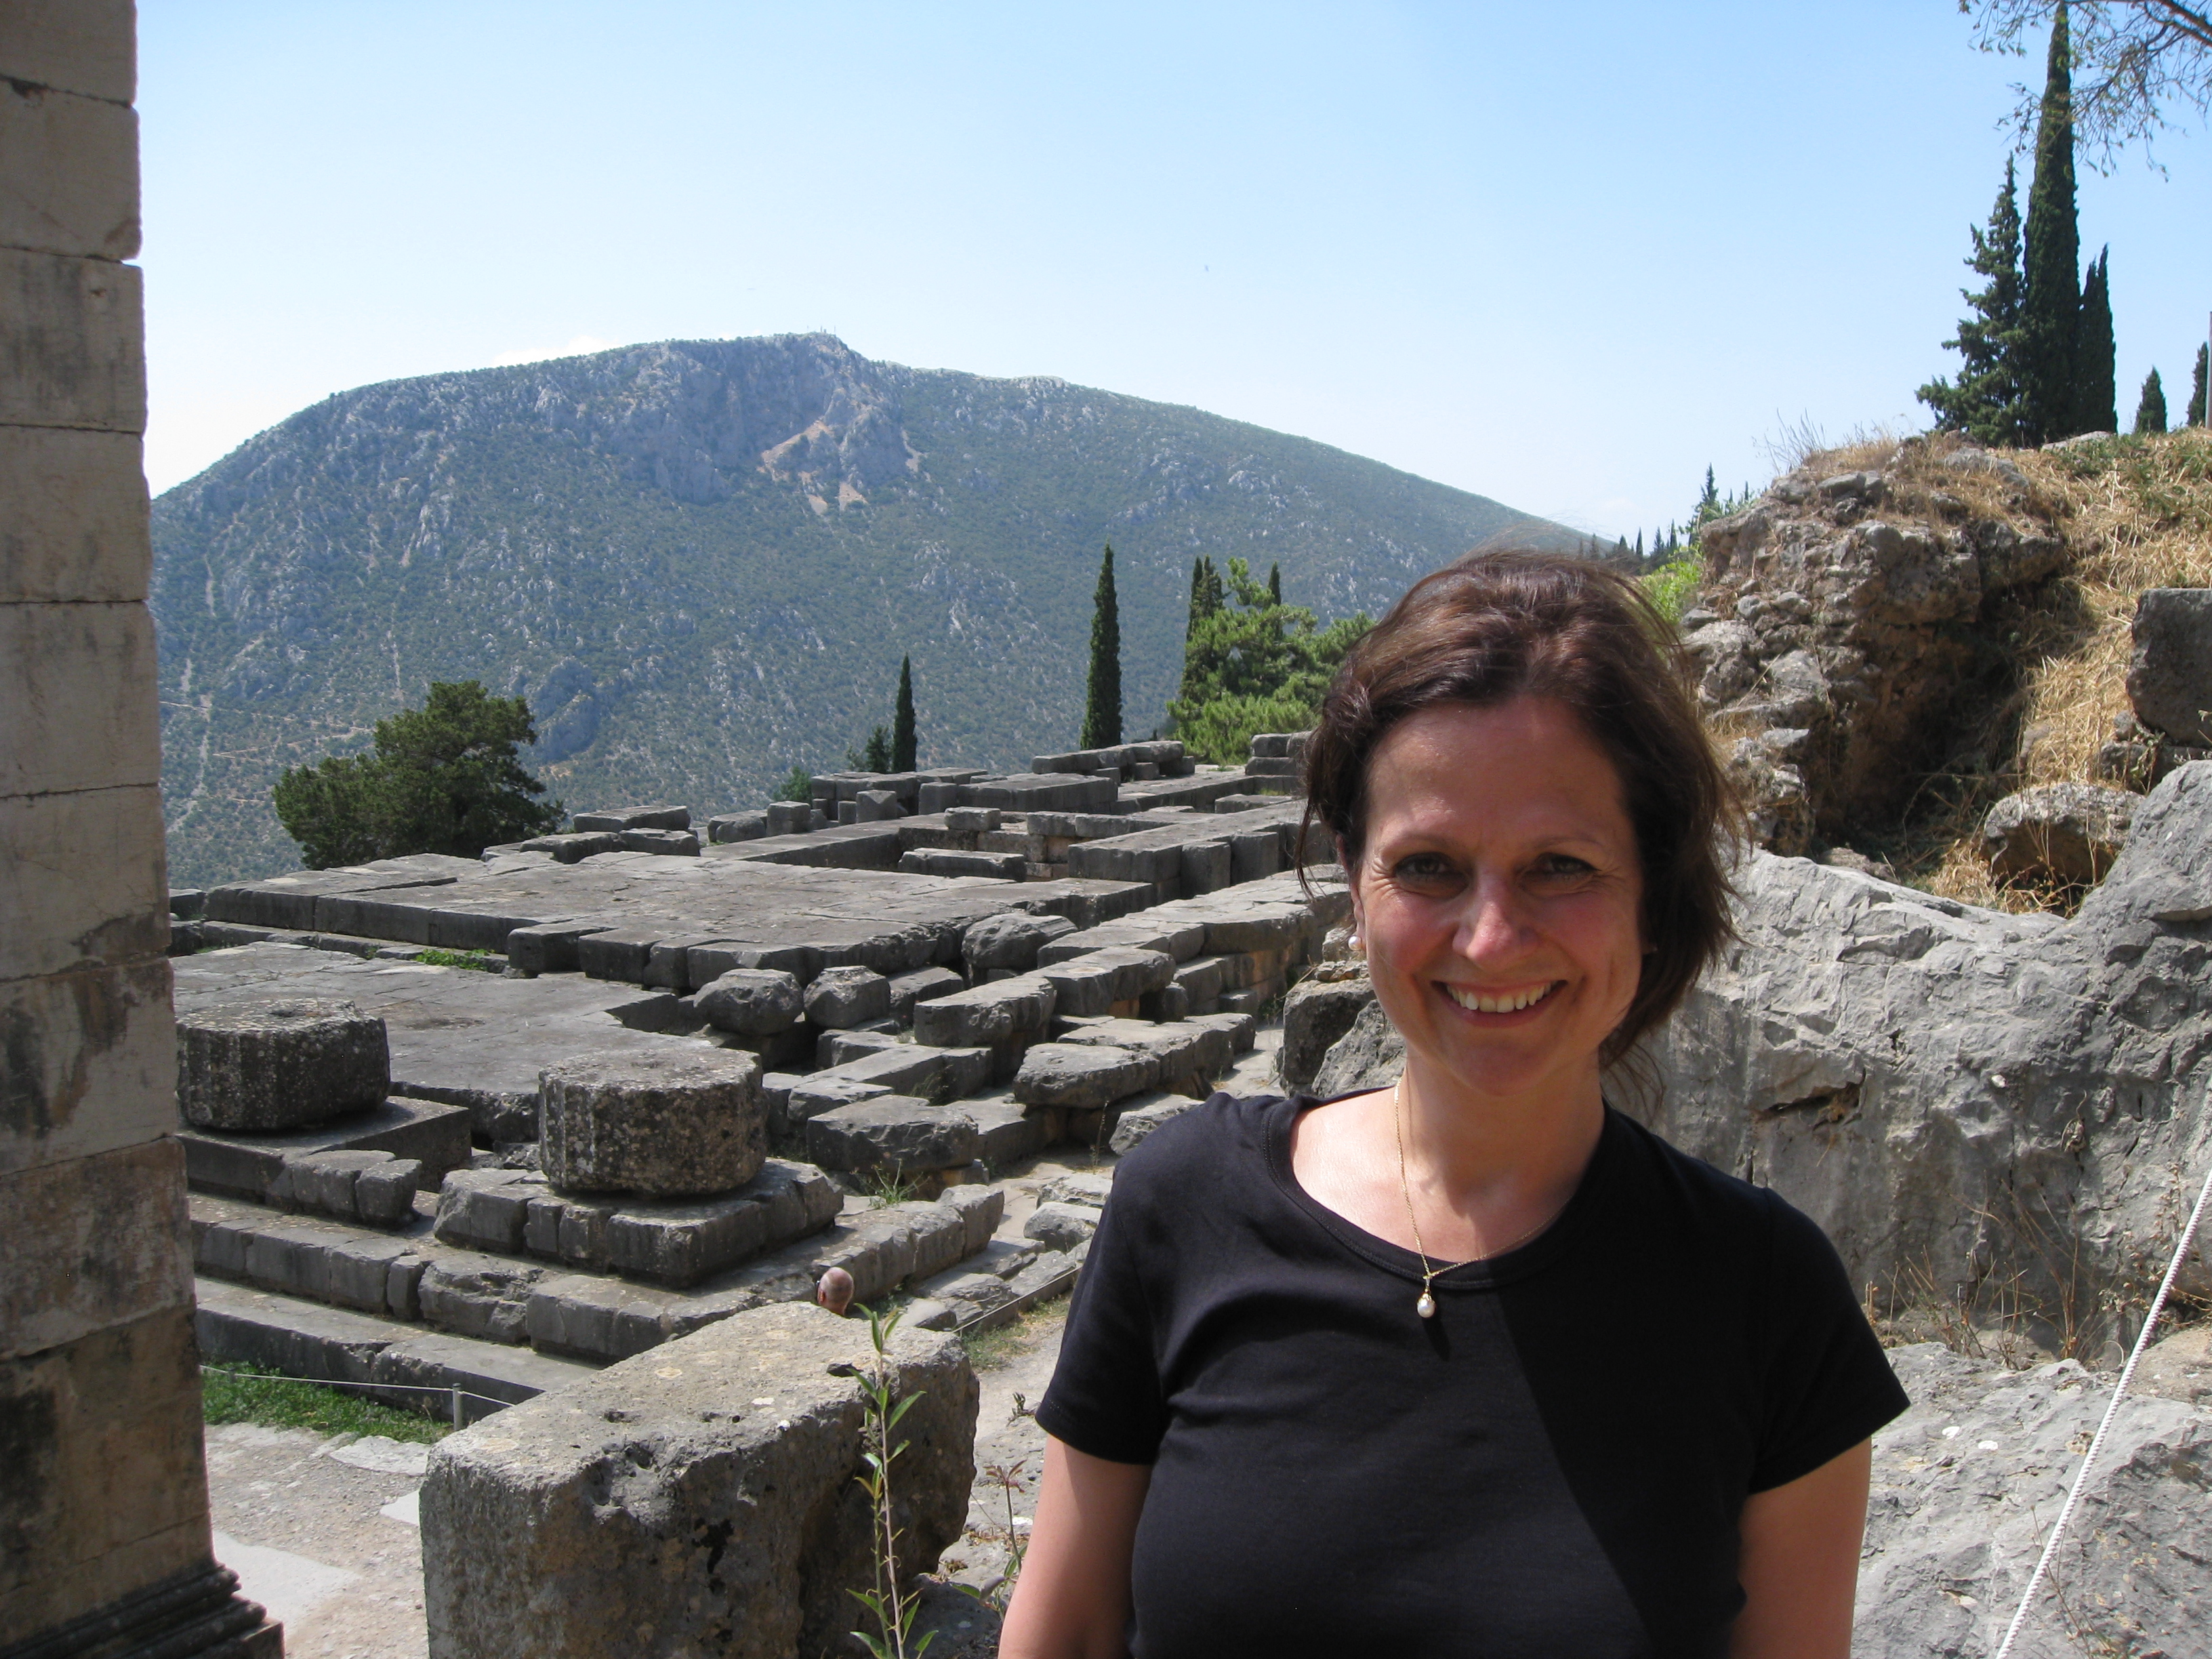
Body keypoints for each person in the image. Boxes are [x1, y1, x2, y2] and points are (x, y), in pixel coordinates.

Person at [999, 552, 1908, 1659]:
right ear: (1354, 879)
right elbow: (1066, 1632)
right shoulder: (1182, 1207)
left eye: (1560, 866)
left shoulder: (1769, 1300)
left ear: (1654, 895)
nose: (1489, 938)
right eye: (1429, 866)